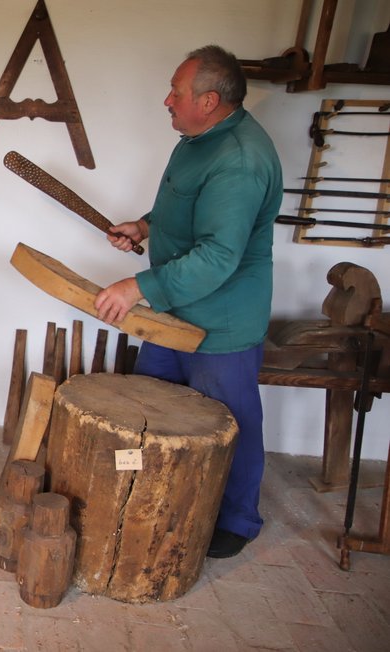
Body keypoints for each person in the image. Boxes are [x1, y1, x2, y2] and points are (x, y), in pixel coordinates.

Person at [93, 45, 282, 559]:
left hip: (218, 322)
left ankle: (236, 521)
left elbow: (220, 256)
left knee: (228, 424)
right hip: (173, 311)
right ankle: (161, 499)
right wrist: (145, 226)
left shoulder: (240, 160)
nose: (166, 100)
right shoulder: (196, 138)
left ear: (210, 100)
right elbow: (182, 204)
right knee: (153, 409)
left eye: (176, 92)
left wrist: (137, 287)